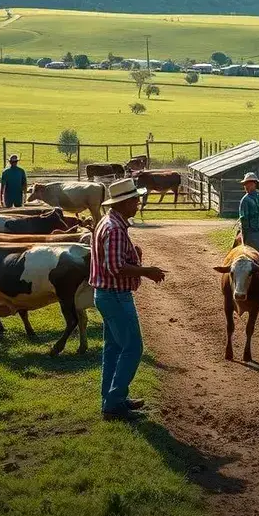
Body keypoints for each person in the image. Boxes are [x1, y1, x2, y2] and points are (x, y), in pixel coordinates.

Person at [90, 178, 167, 421]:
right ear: (123, 203)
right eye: (134, 199)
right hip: (115, 295)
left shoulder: (110, 223)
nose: (137, 202)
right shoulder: (115, 229)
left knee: (114, 349)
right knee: (133, 348)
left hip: (107, 295)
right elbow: (115, 267)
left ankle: (113, 399)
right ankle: (114, 403)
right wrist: (147, 271)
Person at [238, 172, 259, 254]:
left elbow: (243, 221)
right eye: (245, 184)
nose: (245, 186)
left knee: (251, 257)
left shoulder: (245, 200)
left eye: (247, 184)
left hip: (251, 235)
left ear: (254, 183)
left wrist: (244, 241)